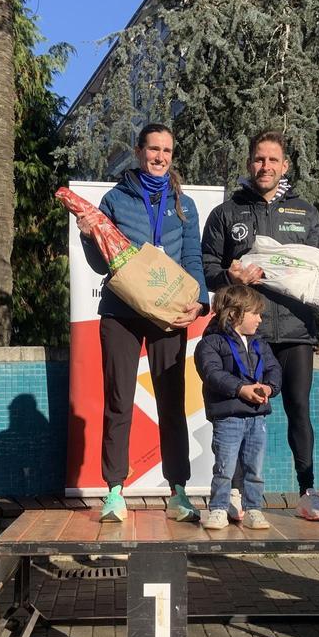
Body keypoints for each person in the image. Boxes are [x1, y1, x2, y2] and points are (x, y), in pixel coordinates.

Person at [201, 130, 319, 522]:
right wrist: (230, 276)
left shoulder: (305, 212)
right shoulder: (227, 213)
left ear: (285, 166)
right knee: (240, 411)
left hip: (297, 329)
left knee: (299, 407)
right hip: (248, 333)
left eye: (272, 160)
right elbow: (207, 268)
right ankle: (233, 493)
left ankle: (307, 493)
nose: (264, 166)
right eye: (258, 159)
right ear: (249, 162)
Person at [78, 123, 210, 524]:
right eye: (154, 149)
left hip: (168, 311)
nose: (160, 157)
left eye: (167, 151)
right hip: (120, 312)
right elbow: (101, 263)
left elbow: (192, 258)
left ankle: (179, 492)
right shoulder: (115, 199)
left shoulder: (185, 205)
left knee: (172, 401)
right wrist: (88, 236)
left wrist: (200, 302)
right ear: (139, 152)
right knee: (119, 399)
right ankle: (114, 491)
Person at [194, 285, 283, 530]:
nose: (260, 319)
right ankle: (219, 509)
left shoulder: (259, 343)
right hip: (229, 417)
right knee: (225, 467)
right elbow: (212, 373)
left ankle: (253, 509)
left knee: (255, 468)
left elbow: (274, 369)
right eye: (255, 313)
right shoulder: (211, 342)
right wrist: (240, 389)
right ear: (234, 314)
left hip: (257, 417)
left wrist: (269, 388)